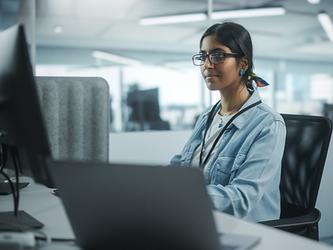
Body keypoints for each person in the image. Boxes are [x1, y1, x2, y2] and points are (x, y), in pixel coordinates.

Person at [171, 22, 286, 222]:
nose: (207, 64)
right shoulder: (208, 115)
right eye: (203, 56)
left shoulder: (268, 124)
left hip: (245, 230)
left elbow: (241, 198)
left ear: (243, 63)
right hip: (202, 220)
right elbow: (182, 166)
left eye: (217, 55)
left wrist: (183, 196)